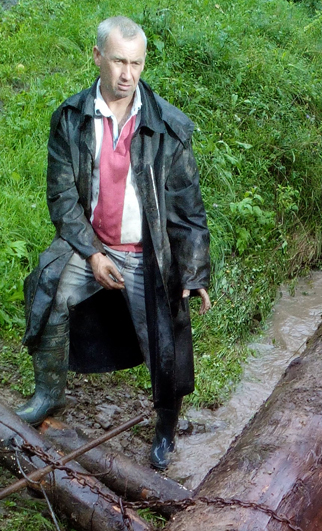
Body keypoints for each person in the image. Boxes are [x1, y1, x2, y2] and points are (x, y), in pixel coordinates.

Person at [19, 15, 210, 470]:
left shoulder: (167, 127)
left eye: (137, 64)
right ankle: (48, 394)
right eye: (120, 61)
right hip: (92, 246)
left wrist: (195, 270)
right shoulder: (71, 119)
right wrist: (93, 254)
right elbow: (62, 198)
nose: (128, 74)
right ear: (97, 57)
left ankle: (165, 427)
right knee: (51, 291)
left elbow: (187, 207)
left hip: (148, 256)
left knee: (168, 336)